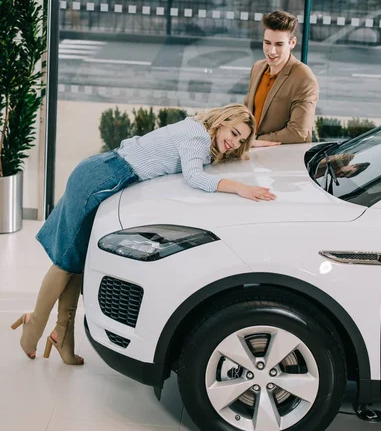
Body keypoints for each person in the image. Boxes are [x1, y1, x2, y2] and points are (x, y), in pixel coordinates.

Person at [11, 104, 276, 364]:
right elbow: (194, 176)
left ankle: (62, 335)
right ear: (221, 124)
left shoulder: (200, 129)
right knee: (65, 262)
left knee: (75, 261)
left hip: (105, 172)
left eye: (240, 139)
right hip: (101, 179)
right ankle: (33, 326)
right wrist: (240, 188)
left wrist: (251, 145)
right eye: (233, 134)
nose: (234, 142)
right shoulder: (197, 136)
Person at [245, 10, 319, 147]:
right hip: (253, 155)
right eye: (267, 43)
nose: (271, 51)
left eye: (279, 44)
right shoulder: (257, 68)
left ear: (292, 43)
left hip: (282, 159)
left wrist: (255, 141)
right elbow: (246, 111)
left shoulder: (304, 78)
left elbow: (298, 133)